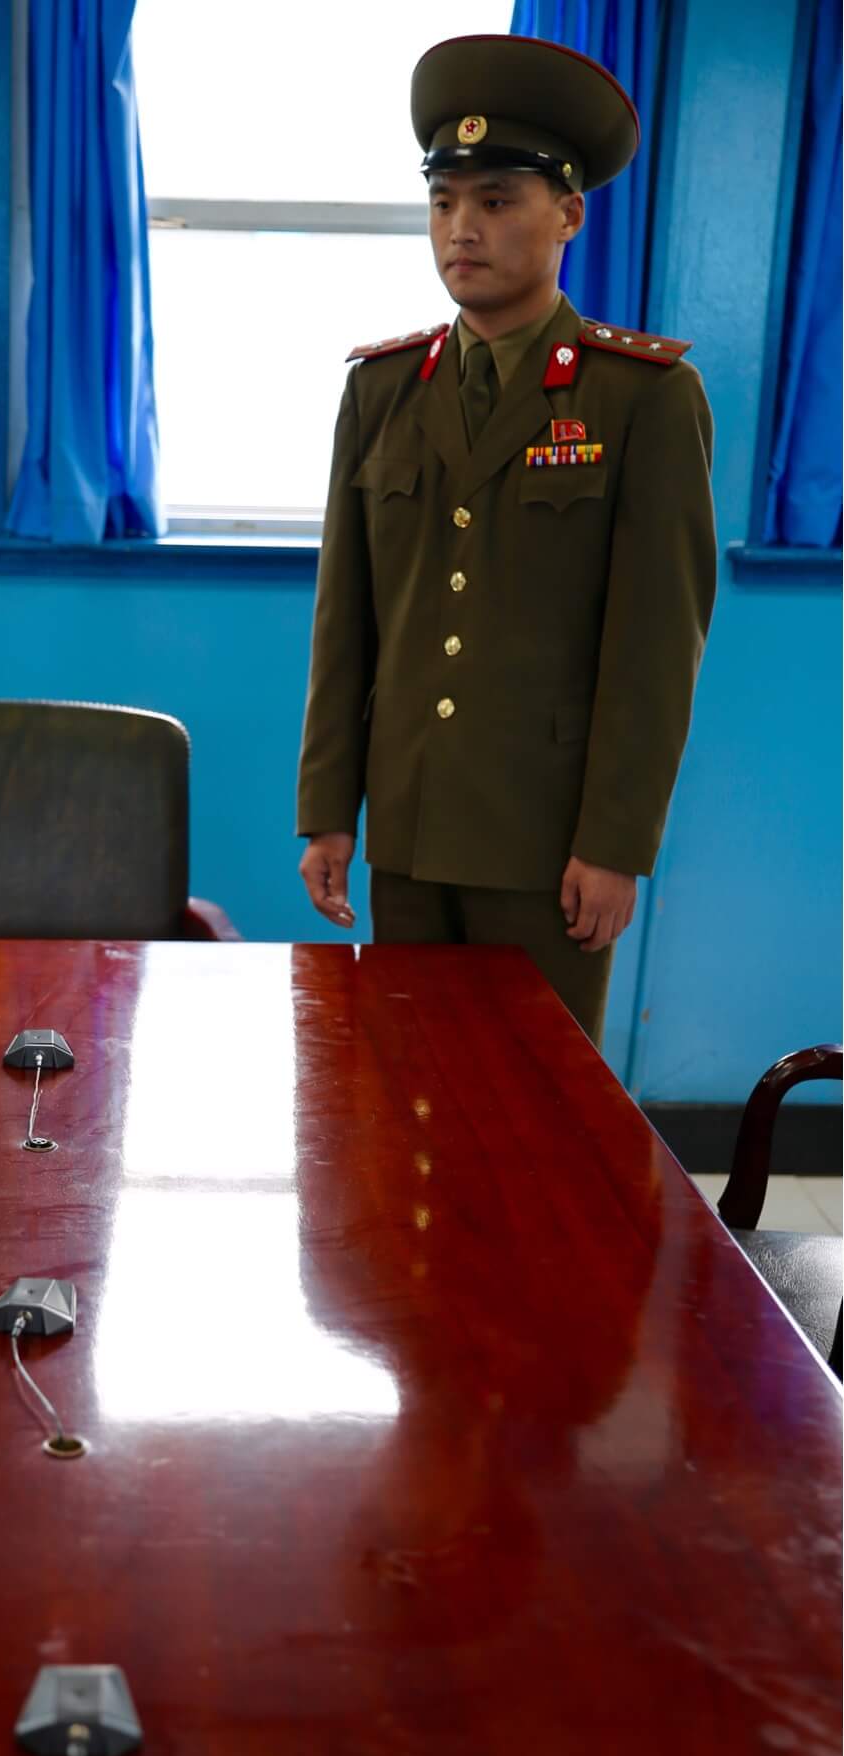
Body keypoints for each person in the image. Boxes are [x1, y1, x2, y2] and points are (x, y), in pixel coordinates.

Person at [295, 34, 717, 1047]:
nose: (462, 229)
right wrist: (326, 809)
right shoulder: (383, 390)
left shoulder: (641, 398)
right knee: (402, 1099)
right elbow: (344, 619)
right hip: (407, 824)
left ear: (567, 213)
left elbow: (655, 647)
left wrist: (614, 843)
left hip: (547, 845)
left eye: (495, 200)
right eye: (444, 202)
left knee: (539, 1119)